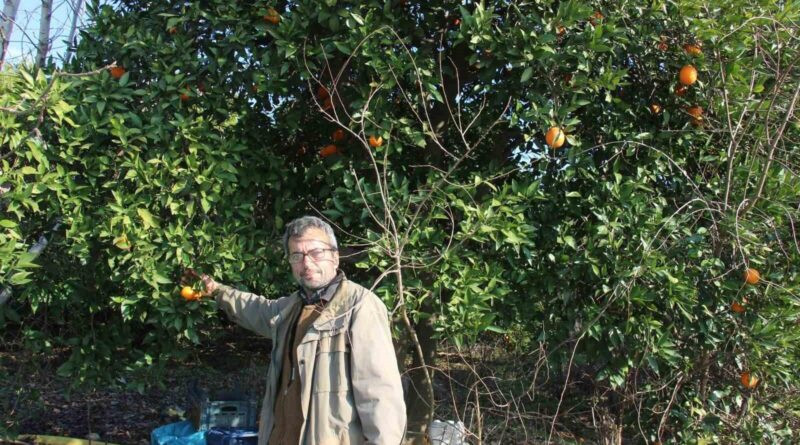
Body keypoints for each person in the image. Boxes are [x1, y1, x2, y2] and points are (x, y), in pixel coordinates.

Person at [193, 216, 406, 445]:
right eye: (297, 255)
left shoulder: (359, 307)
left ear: (335, 257)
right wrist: (216, 290)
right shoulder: (292, 307)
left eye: (316, 252)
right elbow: (255, 308)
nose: (307, 263)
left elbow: (380, 395)